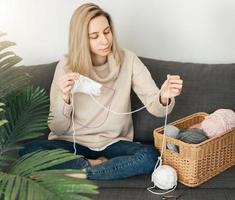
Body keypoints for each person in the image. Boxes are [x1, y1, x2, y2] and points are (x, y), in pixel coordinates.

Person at [19, 3, 183, 180]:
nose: (104, 41)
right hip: (72, 143)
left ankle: (82, 172)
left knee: (150, 156)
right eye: (94, 36)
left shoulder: (128, 60)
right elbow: (57, 127)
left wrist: (164, 97)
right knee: (28, 151)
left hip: (113, 143)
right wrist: (65, 98)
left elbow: (156, 108)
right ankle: (91, 165)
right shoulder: (66, 67)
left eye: (106, 32)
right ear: (81, 40)